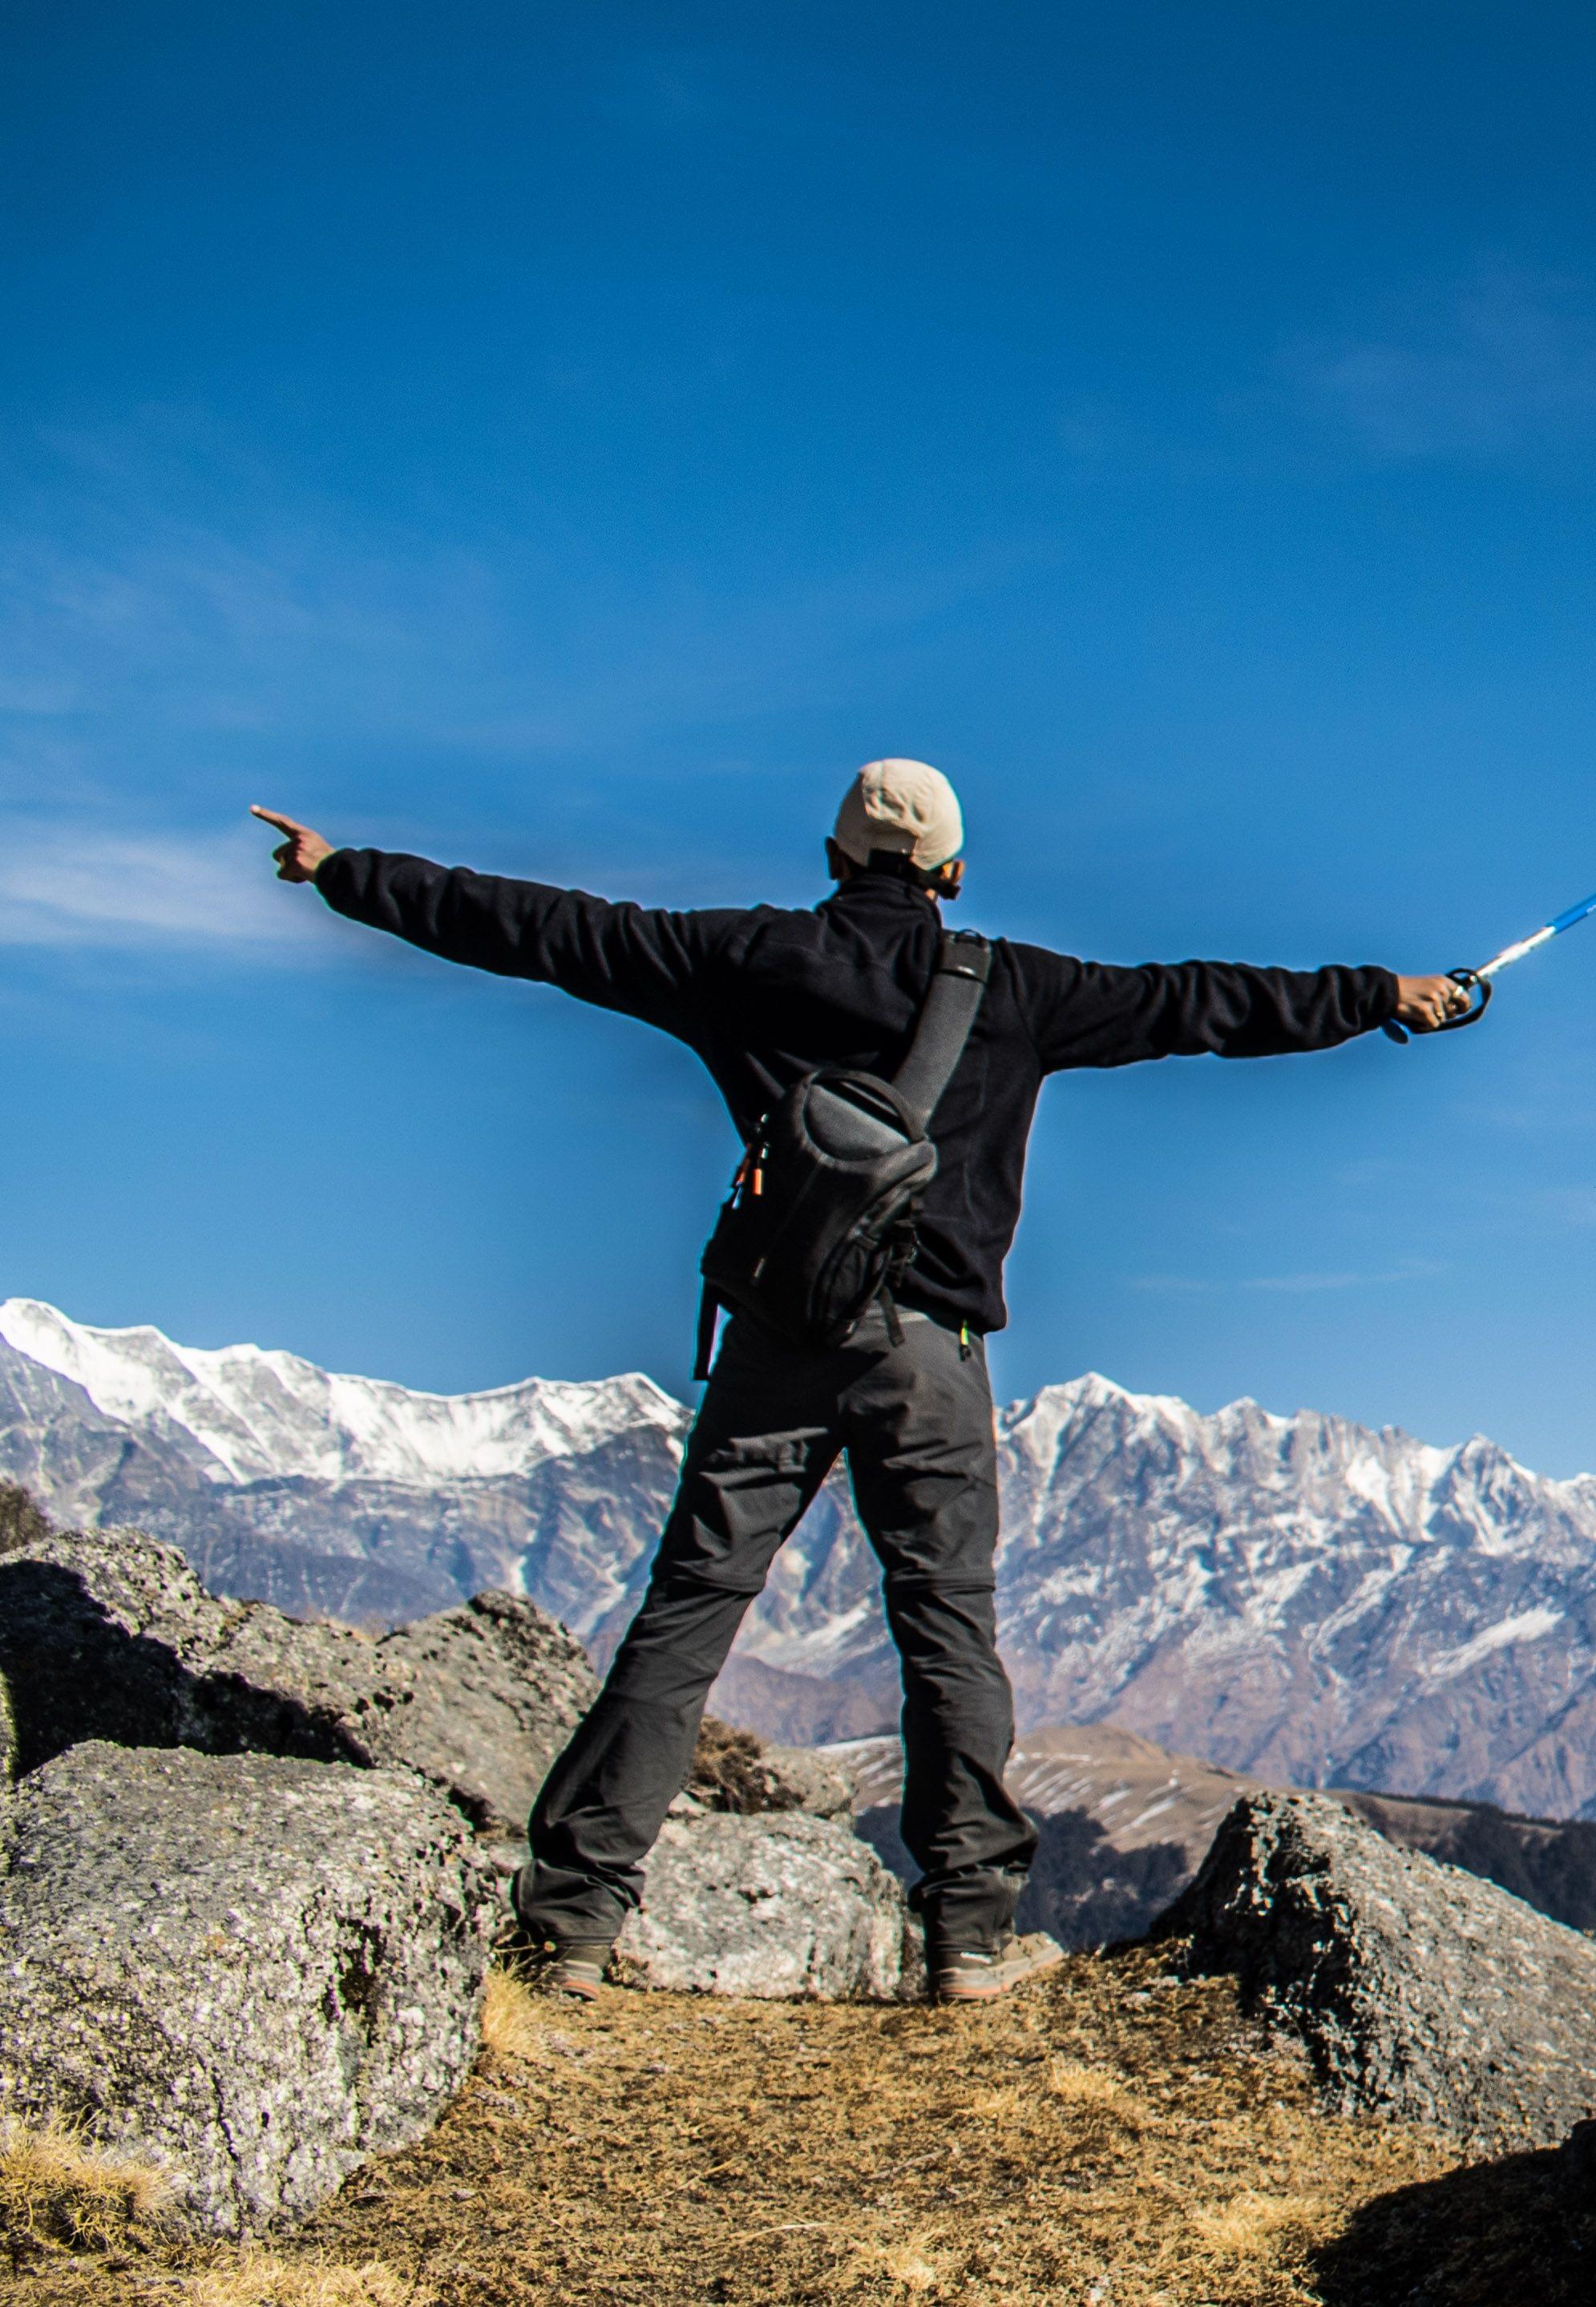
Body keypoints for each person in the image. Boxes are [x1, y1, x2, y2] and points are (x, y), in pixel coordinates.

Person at [256, 761, 1475, 2003]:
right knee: (946, 1626)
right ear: (949, 873)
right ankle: (968, 1938)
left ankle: (572, 1918)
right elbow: (1201, 1002)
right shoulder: (1020, 989)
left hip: (778, 1338)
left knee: (690, 1609)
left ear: (836, 856)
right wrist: (1384, 995)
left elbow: (540, 928)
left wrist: (344, 872)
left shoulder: (739, 957)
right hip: (931, 1355)